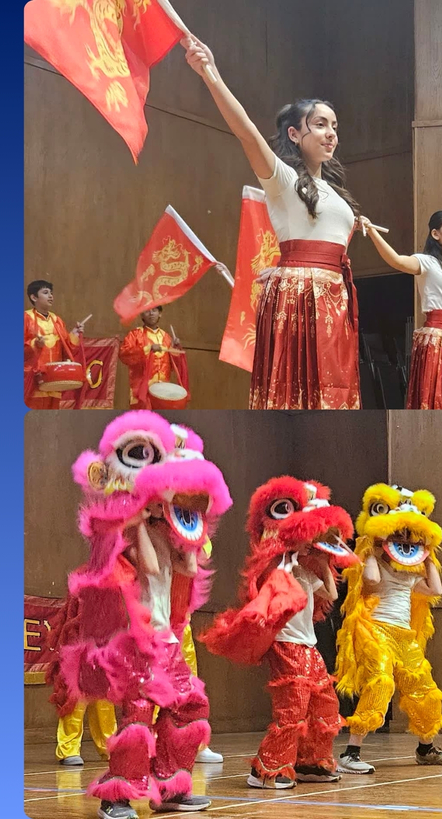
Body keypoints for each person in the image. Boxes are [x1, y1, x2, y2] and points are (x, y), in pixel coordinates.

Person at [51, 414, 232, 819]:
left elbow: (187, 570)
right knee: (137, 718)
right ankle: (116, 798)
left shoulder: (167, 535)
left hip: (166, 639)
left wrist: (189, 535)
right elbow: (148, 568)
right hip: (136, 642)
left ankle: (171, 786)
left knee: (188, 706)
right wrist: (145, 525)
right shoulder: (130, 534)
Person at [184, 39, 363, 409]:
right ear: (295, 135)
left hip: (334, 297)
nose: (331, 133)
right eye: (319, 124)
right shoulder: (282, 178)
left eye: (334, 126)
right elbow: (246, 132)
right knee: (297, 394)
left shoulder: (333, 190)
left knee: (334, 391)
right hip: (299, 297)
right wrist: (211, 74)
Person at [202, 477, 355, 789]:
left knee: (324, 702)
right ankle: (266, 770)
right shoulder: (279, 568)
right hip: (286, 645)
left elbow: (331, 594)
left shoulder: (306, 570)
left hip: (308, 646)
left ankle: (310, 763)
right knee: (293, 707)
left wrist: (325, 560)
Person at [334, 484, 442, 774]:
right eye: (398, 535)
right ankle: (351, 753)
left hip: (404, 635)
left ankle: (426, 748)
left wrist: (427, 559)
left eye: (409, 536)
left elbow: (435, 589)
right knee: (381, 682)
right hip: (376, 630)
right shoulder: (374, 562)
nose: (404, 541)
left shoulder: (410, 575)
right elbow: (373, 582)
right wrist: (369, 551)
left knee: (425, 688)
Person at [361, 210, 442, 408]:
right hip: (436, 340)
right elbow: (397, 260)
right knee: (433, 399)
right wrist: (372, 231)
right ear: (435, 234)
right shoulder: (425, 262)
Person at [24, 280, 84, 409]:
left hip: (55, 379)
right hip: (33, 380)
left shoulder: (57, 320)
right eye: (46, 293)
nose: (51, 296)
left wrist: (74, 333)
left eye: (51, 293)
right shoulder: (25, 318)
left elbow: (67, 349)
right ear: (33, 297)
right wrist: (35, 344)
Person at [118, 306, 187, 409]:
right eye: (147, 311)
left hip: (163, 391)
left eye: (154, 310)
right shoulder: (135, 335)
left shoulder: (166, 337)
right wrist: (147, 349)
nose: (151, 313)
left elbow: (175, 366)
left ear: (160, 313)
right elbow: (124, 354)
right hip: (141, 390)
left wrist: (175, 349)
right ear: (142, 315)